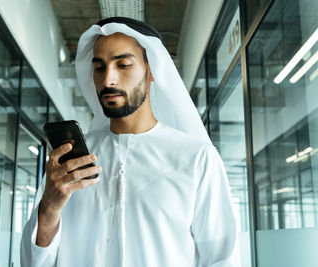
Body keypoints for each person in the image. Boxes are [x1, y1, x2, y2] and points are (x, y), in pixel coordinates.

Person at [21, 17, 239, 267]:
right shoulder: (69, 162)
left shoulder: (197, 158)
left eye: (123, 65)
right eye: (99, 68)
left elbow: (223, 259)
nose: (108, 81)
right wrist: (49, 209)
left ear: (152, 71)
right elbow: (33, 263)